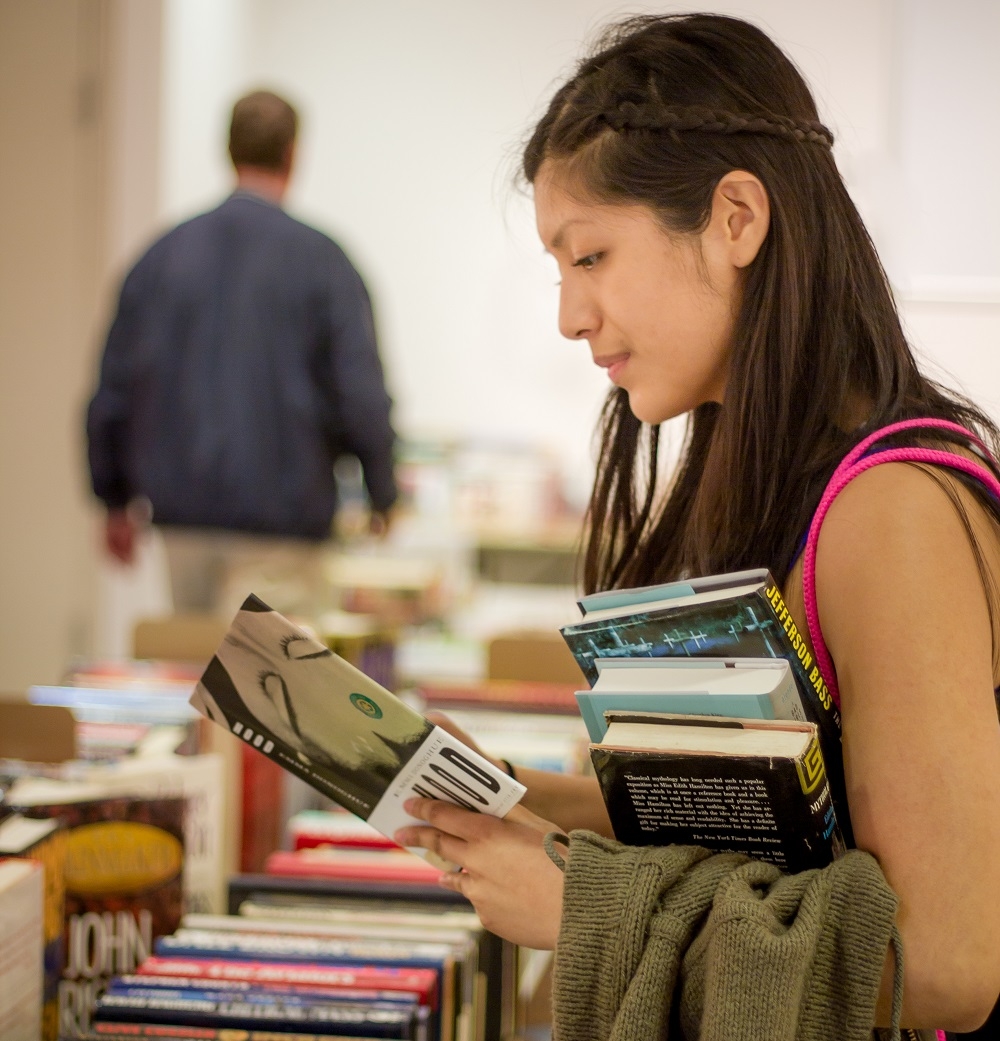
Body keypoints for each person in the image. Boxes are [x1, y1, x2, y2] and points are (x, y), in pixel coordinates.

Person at [391, 13, 1000, 1039]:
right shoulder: (769, 477)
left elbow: (945, 961)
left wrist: (583, 909)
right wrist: (516, 798)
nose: (567, 316)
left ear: (735, 220)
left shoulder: (889, 515)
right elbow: (770, 826)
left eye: (589, 255)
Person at [86, 89, 397, 617]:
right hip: (283, 529)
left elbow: (114, 387)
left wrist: (113, 499)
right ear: (293, 154)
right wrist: (382, 492)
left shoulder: (161, 258)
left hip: (183, 522)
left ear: (227, 150)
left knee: (196, 681)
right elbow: (359, 389)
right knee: (271, 688)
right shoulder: (322, 262)